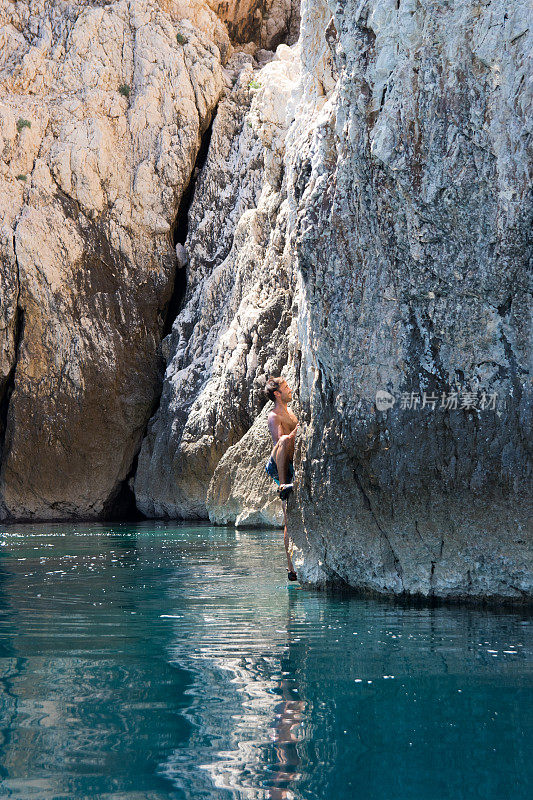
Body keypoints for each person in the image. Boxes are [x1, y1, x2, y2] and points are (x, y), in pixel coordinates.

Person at [264, 376, 298, 581]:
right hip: (279, 466)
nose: (289, 389)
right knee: (288, 518)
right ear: (277, 394)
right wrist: (297, 430)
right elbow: (281, 445)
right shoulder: (274, 416)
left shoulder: (290, 411)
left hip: (291, 463)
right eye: (285, 387)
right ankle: (290, 568)